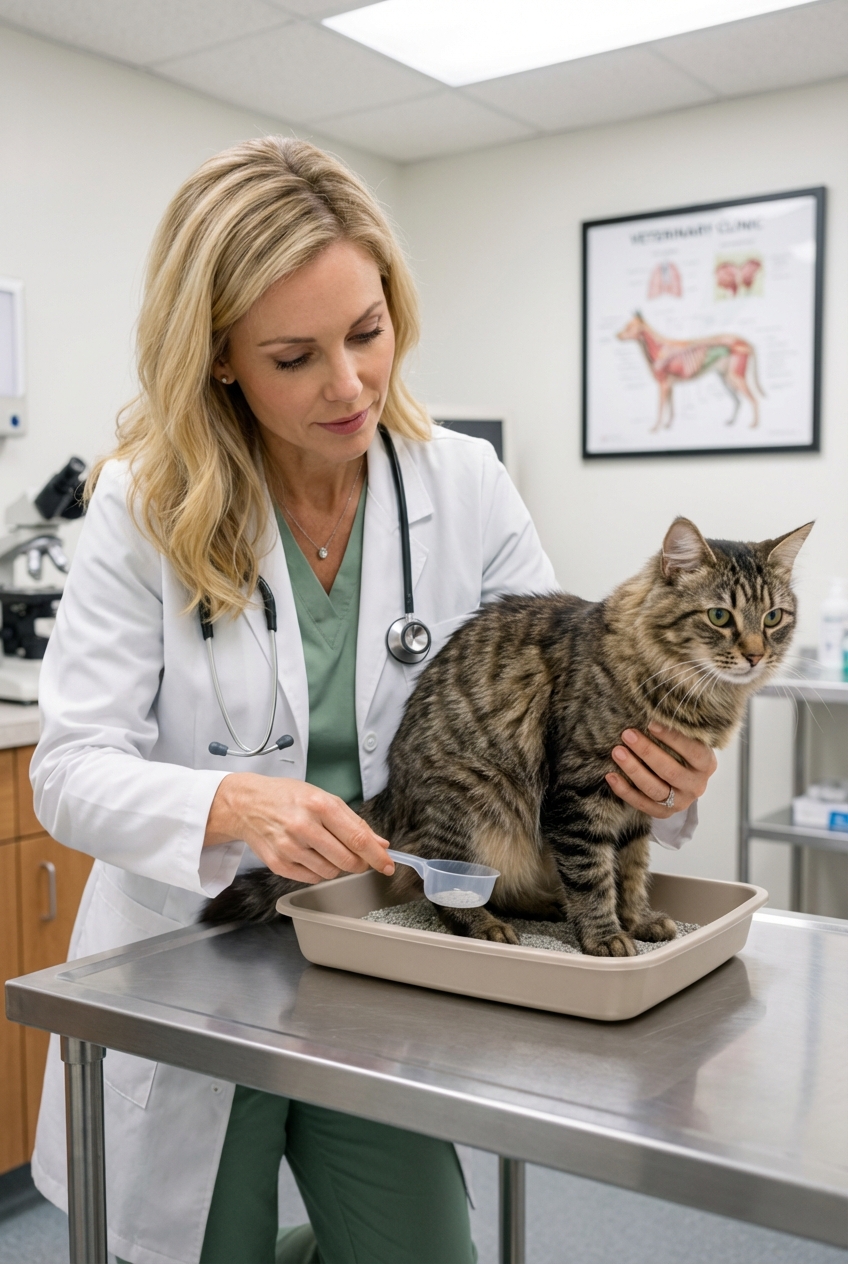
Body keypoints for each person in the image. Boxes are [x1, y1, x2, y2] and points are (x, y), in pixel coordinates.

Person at [29, 137, 718, 1264]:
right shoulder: (141, 506)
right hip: (195, 960)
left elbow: (573, 710)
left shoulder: (462, 483)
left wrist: (665, 772)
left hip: (387, 948)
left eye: (367, 332)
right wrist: (236, 807)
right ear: (217, 360)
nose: (349, 385)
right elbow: (68, 769)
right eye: (294, 356)